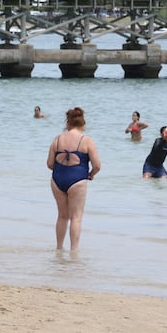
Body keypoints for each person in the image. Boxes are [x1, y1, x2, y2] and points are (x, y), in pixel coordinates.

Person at [46, 107, 101, 252]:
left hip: (57, 180)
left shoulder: (57, 139)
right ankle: (74, 251)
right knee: (76, 217)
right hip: (77, 180)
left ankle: (58, 249)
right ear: (83, 124)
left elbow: (50, 164)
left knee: (62, 216)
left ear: (68, 123)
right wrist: (91, 174)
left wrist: (63, 169)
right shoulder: (87, 141)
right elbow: (97, 165)